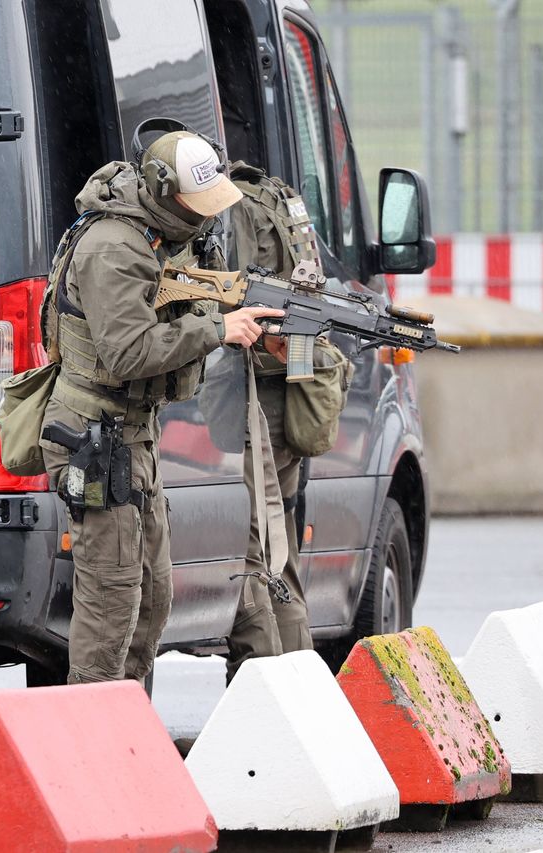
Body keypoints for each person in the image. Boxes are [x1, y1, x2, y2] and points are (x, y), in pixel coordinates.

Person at [38, 129, 284, 685]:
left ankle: (125, 732)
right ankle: (91, 741)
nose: (202, 220)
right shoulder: (113, 246)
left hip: (131, 437)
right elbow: (126, 353)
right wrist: (218, 328)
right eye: (193, 208)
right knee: (111, 602)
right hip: (92, 438)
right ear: (161, 190)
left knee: (151, 598)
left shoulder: (166, 239)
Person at [222, 160, 328, 683]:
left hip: (251, 403)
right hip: (286, 400)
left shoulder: (230, 206)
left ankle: (262, 687)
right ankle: (298, 684)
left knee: (256, 551)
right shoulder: (279, 199)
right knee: (277, 547)